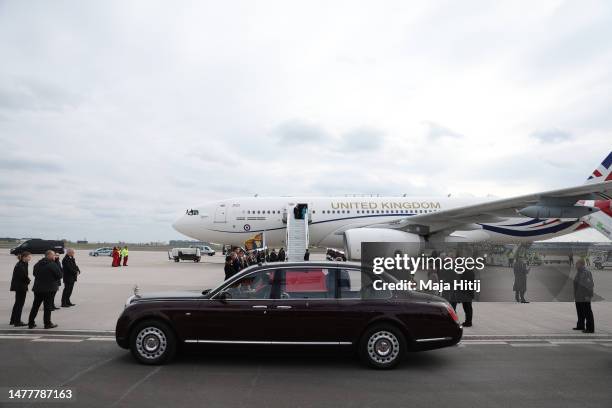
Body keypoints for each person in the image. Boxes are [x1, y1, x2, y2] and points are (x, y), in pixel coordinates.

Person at [28, 250, 62, 329]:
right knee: (47, 307)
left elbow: (34, 274)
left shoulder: (38, 264)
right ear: (49, 255)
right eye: (53, 255)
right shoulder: (52, 264)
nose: (54, 257)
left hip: (38, 288)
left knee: (35, 306)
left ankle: (31, 323)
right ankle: (47, 323)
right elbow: (60, 275)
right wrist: (57, 262)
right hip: (49, 289)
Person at [10, 251, 31, 327]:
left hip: (20, 286)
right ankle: (17, 321)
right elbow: (23, 276)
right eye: (29, 257)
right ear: (24, 257)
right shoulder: (20, 265)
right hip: (20, 287)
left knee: (17, 303)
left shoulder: (23, 264)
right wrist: (28, 281)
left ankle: (13, 320)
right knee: (19, 304)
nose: (30, 258)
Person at [573, 259, 595, 333]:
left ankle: (590, 328)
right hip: (578, 296)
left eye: (577, 264)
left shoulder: (586, 272)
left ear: (581, 264)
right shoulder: (579, 272)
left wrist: (588, 295)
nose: (576, 265)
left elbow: (590, 285)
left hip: (585, 296)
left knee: (587, 312)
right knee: (580, 312)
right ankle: (580, 325)